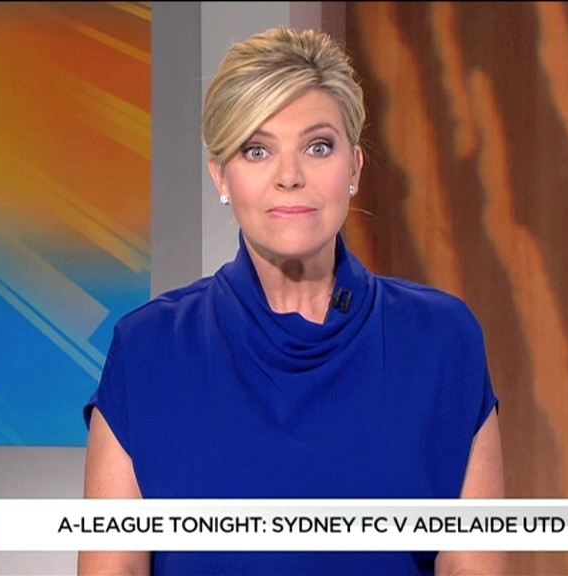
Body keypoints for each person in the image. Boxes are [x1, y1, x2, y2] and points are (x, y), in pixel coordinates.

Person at [78, 26, 504, 576]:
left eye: (317, 146)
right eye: (257, 150)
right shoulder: (147, 350)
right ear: (221, 176)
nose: (289, 177)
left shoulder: (443, 341)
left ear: (354, 168)